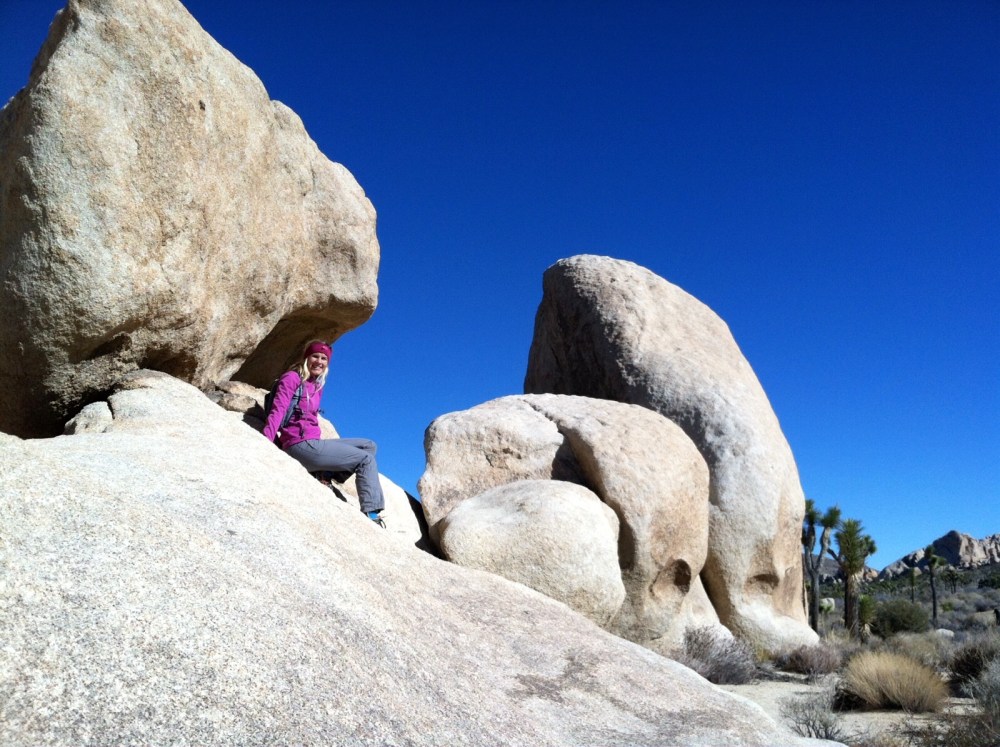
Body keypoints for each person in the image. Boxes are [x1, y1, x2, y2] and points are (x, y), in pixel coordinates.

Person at [262, 340, 386, 526]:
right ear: (306, 358)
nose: (319, 361)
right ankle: (372, 513)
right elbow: (278, 410)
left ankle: (326, 475)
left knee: (369, 446)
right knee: (365, 460)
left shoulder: (316, 385)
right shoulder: (292, 378)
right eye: (315, 356)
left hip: (313, 443)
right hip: (299, 444)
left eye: (324, 358)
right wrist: (264, 443)